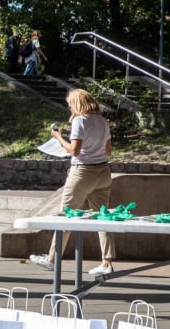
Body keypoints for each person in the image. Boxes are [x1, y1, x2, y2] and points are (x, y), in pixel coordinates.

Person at [30, 88, 115, 275]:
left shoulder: (79, 121)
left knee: (66, 215)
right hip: (103, 171)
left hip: (82, 173)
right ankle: (106, 262)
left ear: (77, 103)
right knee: (103, 217)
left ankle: (52, 259)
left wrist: (58, 137)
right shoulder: (102, 121)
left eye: (70, 104)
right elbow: (108, 151)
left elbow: (74, 150)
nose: (69, 108)